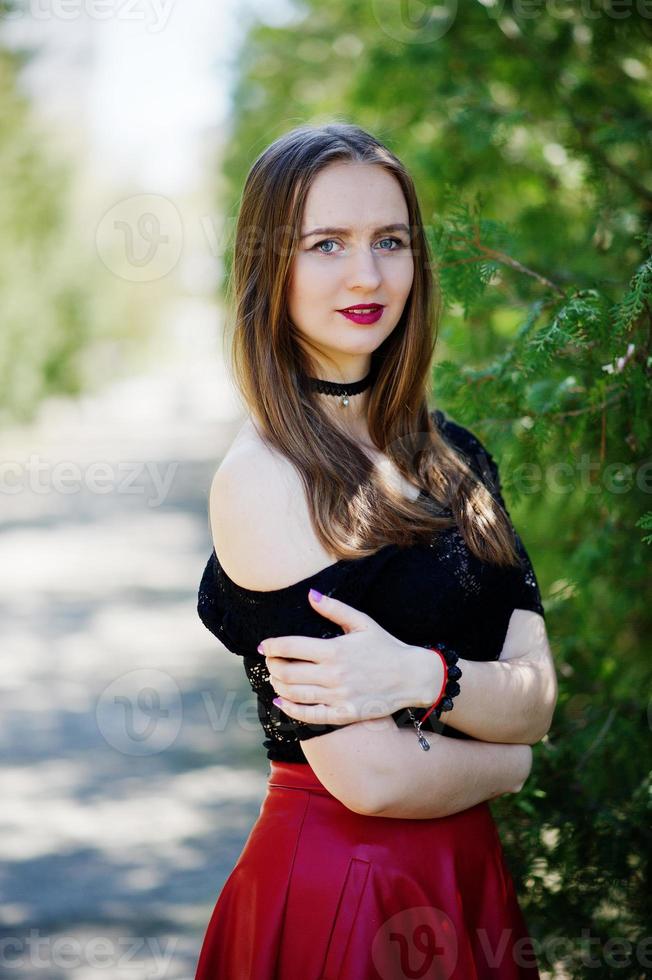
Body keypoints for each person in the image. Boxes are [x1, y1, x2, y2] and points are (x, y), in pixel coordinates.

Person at [194, 122, 558, 980]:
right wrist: (510, 760)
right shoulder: (264, 480)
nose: (368, 275)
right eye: (327, 244)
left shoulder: (455, 455)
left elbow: (537, 697)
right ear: (268, 268)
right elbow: (373, 778)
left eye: (390, 241)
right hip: (347, 885)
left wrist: (416, 677)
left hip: (470, 877)